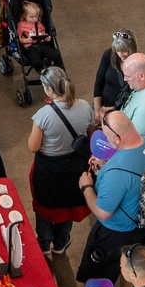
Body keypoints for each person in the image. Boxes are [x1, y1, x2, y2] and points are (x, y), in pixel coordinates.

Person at [76, 111, 145, 287]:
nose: (104, 141)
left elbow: (102, 212)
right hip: (143, 224)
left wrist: (87, 187)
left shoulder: (117, 173)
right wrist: (106, 166)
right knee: (130, 266)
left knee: (98, 277)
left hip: (115, 235)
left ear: (117, 138)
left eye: (106, 136)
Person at [28, 66, 93, 257]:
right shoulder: (84, 107)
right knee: (68, 207)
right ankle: (60, 244)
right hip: (75, 168)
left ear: (49, 89)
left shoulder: (43, 115)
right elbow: (90, 134)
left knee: (45, 208)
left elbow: (33, 146)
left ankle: (43, 244)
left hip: (49, 171)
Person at [92, 29, 138, 121]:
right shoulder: (108, 55)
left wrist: (111, 111)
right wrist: (97, 111)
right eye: (117, 50)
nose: (121, 54)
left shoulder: (138, 63)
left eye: (124, 51)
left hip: (123, 114)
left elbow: (136, 100)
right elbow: (99, 83)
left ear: (132, 48)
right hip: (103, 108)